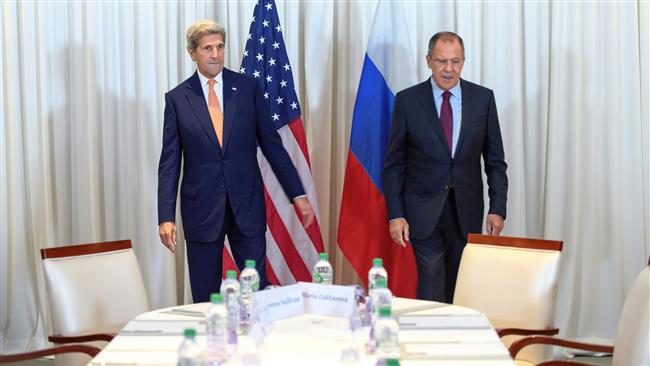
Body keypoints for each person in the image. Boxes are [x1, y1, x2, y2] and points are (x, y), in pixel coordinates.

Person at [157, 19, 314, 303]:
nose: (215, 54)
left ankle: (256, 344)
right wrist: (165, 216)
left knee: (255, 292)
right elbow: (169, 163)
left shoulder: (247, 88)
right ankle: (212, 345)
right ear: (192, 53)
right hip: (201, 211)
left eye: (219, 47)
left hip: (247, 206)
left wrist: (297, 193)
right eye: (207, 48)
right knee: (206, 295)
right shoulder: (178, 99)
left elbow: (272, 145)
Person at [382, 31, 508, 302]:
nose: (449, 69)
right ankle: (429, 340)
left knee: (460, 285)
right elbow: (394, 164)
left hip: (467, 210)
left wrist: (498, 207)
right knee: (431, 282)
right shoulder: (408, 101)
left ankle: (453, 340)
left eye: (456, 62)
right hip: (422, 211)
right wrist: (396, 214)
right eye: (441, 61)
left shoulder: (483, 99)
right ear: (428, 60)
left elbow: (495, 161)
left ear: (463, 62)